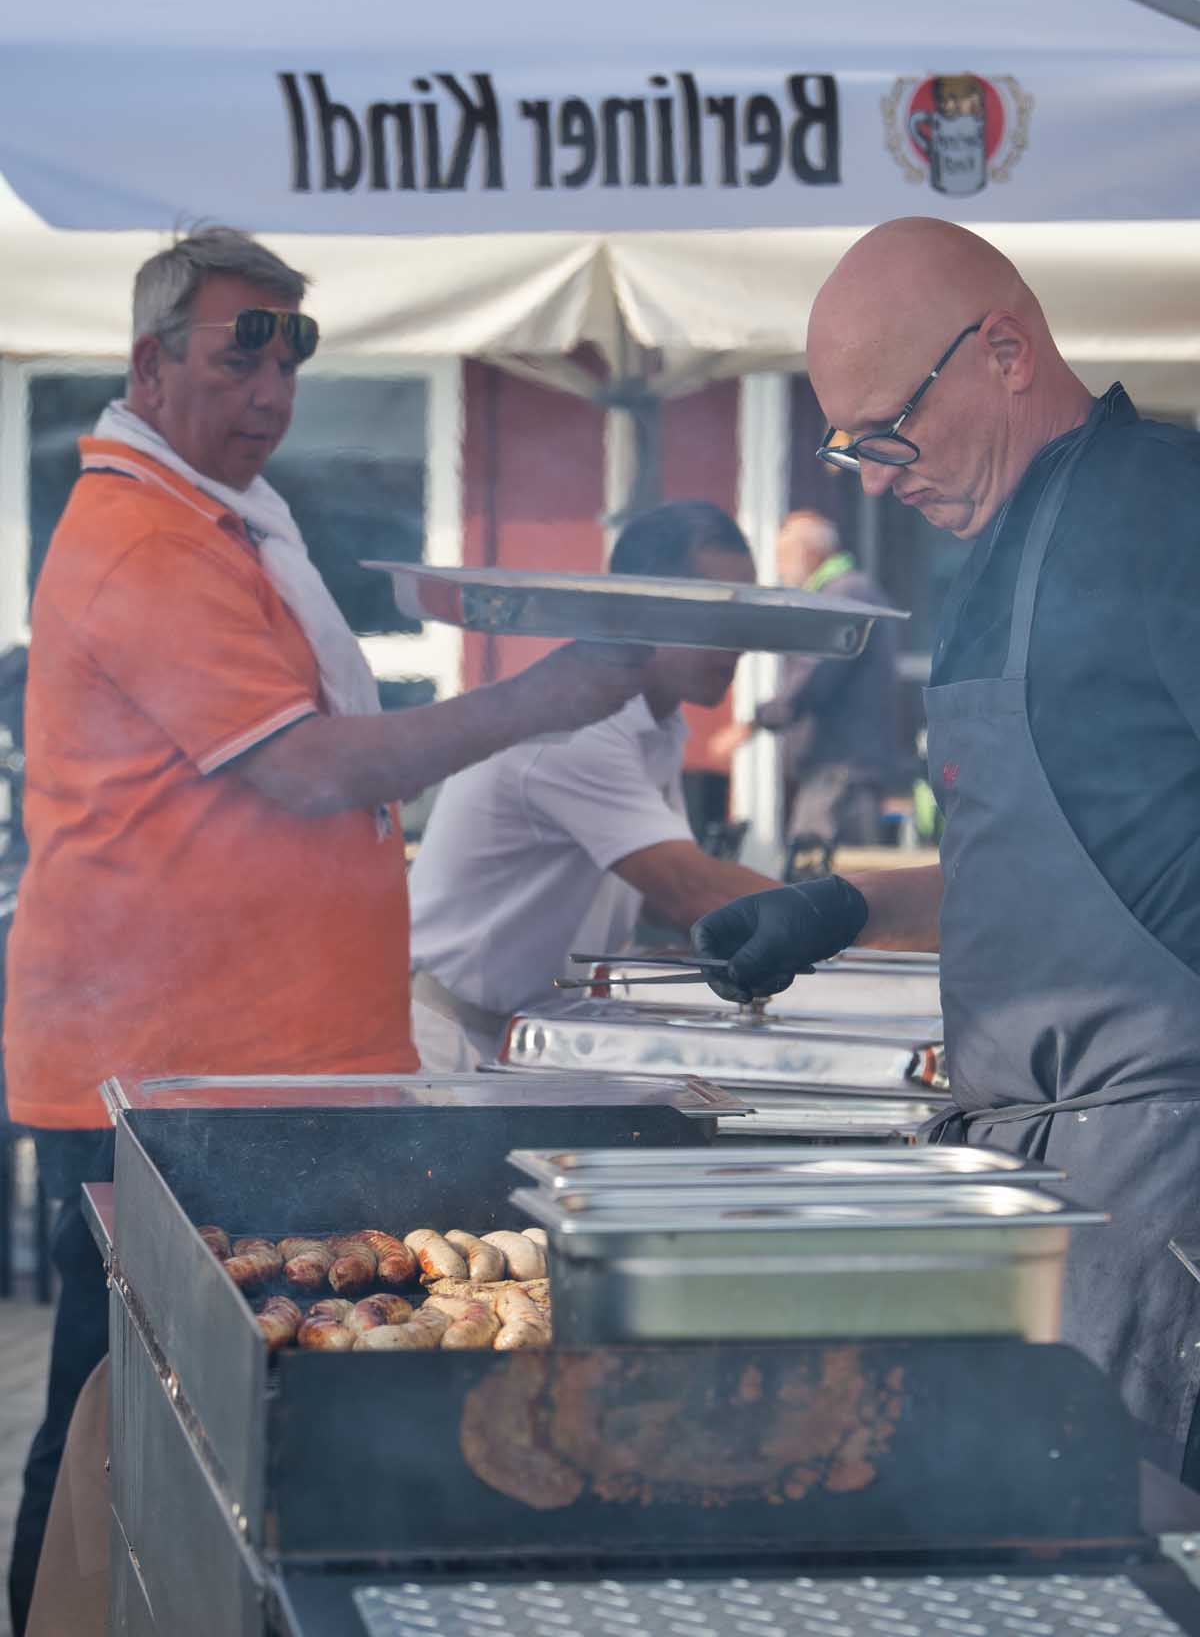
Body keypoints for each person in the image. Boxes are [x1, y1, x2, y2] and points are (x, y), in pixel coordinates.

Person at [1, 227, 643, 1634]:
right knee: (117, 1402)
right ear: (149, 366)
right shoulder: (144, 539)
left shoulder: (215, 523)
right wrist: (541, 698)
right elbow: (306, 768)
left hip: (231, 1064)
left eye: (293, 356)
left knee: (189, 1399)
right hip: (162, 1075)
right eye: (242, 353)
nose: (273, 389)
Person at [692, 215, 1200, 1480]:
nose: (871, 480)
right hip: (1037, 1191)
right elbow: (1058, 860)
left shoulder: (1167, 515)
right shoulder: (992, 561)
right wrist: (845, 907)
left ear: (1005, 353)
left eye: (886, 432)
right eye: (848, 446)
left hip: (1164, 1191)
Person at [408, 500, 783, 1068]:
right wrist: (858, 913)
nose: (739, 642)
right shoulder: (576, 727)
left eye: (745, 615)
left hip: (533, 1039)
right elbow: (689, 891)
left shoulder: (658, 725)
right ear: (640, 611)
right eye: (715, 613)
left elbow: (659, 902)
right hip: (451, 1041)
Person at [711, 510, 900, 852]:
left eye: (783, 556)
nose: (779, 567)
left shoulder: (844, 595)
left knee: (821, 872)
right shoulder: (845, 591)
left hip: (841, 774)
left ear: (811, 554)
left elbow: (812, 678)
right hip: (838, 773)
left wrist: (752, 724)